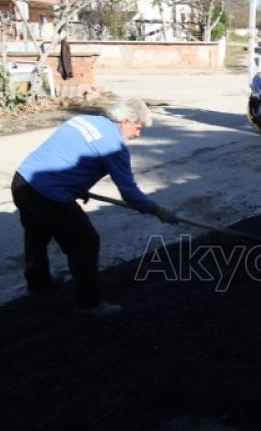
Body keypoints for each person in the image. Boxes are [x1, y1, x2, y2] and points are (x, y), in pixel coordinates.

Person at [11, 98, 178, 317]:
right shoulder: (114, 148)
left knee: (36, 235)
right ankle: (89, 304)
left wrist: (76, 186)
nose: (138, 134)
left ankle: (39, 284)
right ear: (125, 121)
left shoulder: (84, 120)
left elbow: (63, 155)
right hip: (47, 195)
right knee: (85, 243)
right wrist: (158, 210)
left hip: (22, 181)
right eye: (138, 128)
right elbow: (129, 193)